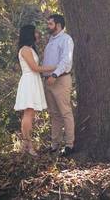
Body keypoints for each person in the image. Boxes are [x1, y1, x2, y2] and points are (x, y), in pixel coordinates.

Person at [13, 24, 56, 155]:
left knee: (30, 113)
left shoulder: (30, 49)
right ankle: (28, 144)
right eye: (35, 32)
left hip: (33, 80)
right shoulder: (25, 49)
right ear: (29, 34)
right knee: (28, 112)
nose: (37, 35)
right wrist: (54, 67)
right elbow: (34, 68)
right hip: (29, 81)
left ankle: (26, 145)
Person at [41, 14, 75, 155]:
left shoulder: (66, 39)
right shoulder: (51, 41)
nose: (48, 26)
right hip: (48, 81)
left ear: (58, 25)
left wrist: (55, 75)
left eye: (50, 24)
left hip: (60, 79)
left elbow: (66, 61)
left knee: (65, 112)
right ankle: (54, 145)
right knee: (54, 114)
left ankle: (69, 145)